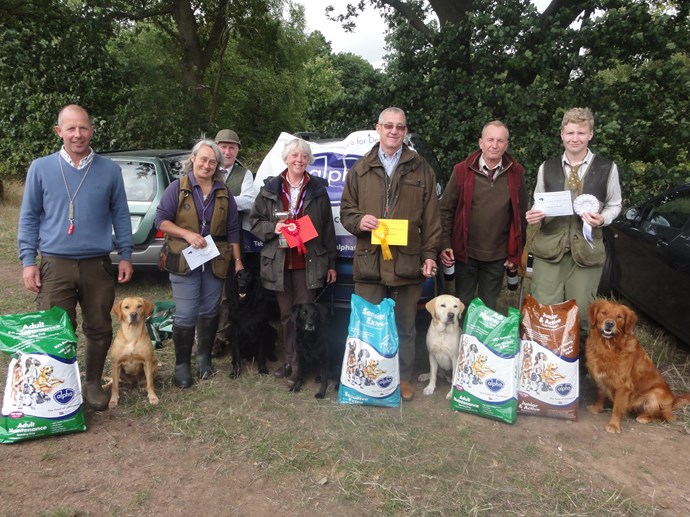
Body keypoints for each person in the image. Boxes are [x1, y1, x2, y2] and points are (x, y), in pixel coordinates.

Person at [18, 104, 133, 411]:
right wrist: (28, 261)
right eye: (71, 128)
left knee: (99, 327)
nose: (78, 134)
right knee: (57, 329)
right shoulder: (41, 168)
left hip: (97, 263)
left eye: (83, 128)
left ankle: (92, 383)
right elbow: (29, 217)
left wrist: (125, 254)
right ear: (59, 131)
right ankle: (60, 387)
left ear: (91, 130)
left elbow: (121, 214)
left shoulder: (109, 170)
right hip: (55, 263)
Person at [340, 107, 441, 402]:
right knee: (368, 325)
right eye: (388, 126)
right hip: (370, 260)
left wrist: (429, 254)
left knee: (404, 325)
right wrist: (359, 220)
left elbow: (432, 218)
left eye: (399, 126)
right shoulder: (360, 169)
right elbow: (346, 211)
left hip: (406, 261)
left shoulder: (422, 169)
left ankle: (403, 377)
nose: (394, 131)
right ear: (378, 128)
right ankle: (367, 377)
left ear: (405, 131)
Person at [525, 107, 622, 341]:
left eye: (581, 133)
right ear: (562, 135)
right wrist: (535, 215)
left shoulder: (607, 168)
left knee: (583, 315)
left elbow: (615, 204)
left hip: (586, 253)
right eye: (570, 133)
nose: (575, 138)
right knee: (544, 312)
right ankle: (544, 359)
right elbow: (539, 202)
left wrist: (603, 218)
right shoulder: (546, 167)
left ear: (590, 134)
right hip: (549, 251)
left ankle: (578, 361)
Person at [155, 139, 242, 388]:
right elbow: (160, 221)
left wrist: (237, 261)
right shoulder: (177, 187)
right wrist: (187, 234)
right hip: (183, 258)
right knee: (186, 312)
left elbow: (233, 229)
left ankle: (204, 359)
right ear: (193, 159)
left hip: (215, 259)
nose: (207, 165)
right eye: (203, 159)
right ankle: (181, 366)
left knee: (210, 310)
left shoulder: (224, 192)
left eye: (212, 162)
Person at [249, 138, 337, 385]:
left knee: (307, 315)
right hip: (279, 264)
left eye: (304, 156)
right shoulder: (270, 189)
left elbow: (328, 229)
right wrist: (274, 227)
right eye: (295, 155)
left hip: (308, 264)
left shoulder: (318, 190)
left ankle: (301, 366)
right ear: (286, 159)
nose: (299, 160)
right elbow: (254, 222)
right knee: (287, 316)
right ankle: (290, 362)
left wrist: (331, 263)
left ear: (308, 160)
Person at [439, 121, 528, 313]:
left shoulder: (516, 173)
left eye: (500, 141)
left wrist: (515, 253)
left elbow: (520, 216)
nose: (494, 145)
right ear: (481, 143)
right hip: (465, 252)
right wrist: (445, 244)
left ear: (506, 145)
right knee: (462, 304)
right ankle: (462, 333)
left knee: (488, 308)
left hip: (497, 254)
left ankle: (484, 333)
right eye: (490, 139)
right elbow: (445, 210)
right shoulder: (461, 171)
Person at [213, 129, 258, 355]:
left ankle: (222, 338)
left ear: (237, 150)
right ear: (216, 148)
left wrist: (220, 200)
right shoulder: (206, 168)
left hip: (232, 240)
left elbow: (249, 201)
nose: (227, 151)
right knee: (204, 291)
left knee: (227, 292)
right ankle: (203, 337)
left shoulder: (244, 174)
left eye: (232, 147)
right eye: (223, 147)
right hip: (204, 239)